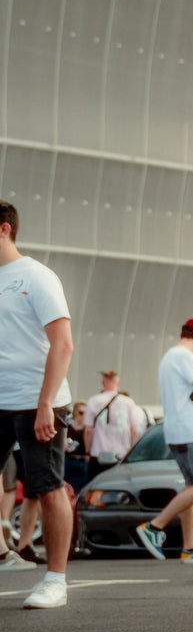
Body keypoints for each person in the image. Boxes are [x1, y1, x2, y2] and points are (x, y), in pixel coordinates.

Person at [0, 199, 76, 607]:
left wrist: (46, 403)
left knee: (47, 489)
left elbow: (63, 345)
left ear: (4, 230)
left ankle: (55, 580)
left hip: (37, 402)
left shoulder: (36, 277)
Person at [134, 318, 193, 561]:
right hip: (191, 431)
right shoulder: (185, 356)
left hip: (176, 431)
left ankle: (190, 547)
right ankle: (154, 527)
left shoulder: (169, 357)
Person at [84, 370, 148, 479]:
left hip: (98, 454)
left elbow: (88, 430)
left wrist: (87, 451)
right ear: (118, 382)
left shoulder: (93, 401)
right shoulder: (128, 402)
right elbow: (134, 430)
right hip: (122, 454)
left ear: (102, 383)